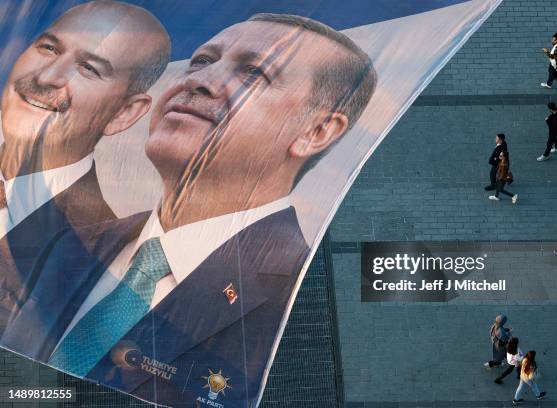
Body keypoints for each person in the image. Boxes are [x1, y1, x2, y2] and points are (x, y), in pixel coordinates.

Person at [1, 14, 377, 408]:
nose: (197, 80)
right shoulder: (71, 243)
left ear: (317, 132)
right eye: (201, 60)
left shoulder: (302, 302)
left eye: (253, 73)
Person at [0, 1, 170, 324]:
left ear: (124, 113)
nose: (47, 76)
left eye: (89, 68)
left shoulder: (101, 259)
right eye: (49, 48)